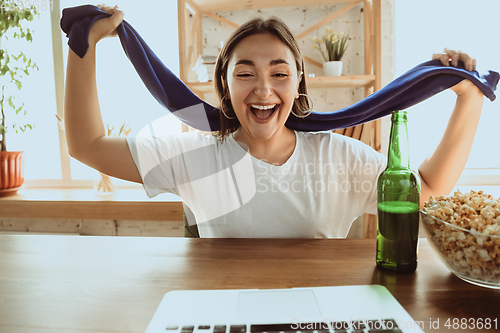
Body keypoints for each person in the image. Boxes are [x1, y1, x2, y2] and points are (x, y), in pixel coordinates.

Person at [64, 5, 484, 238]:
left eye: (279, 74)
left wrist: (469, 97)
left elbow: (427, 191)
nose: (263, 90)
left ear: (299, 83)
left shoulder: (341, 158)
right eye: (245, 74)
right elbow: (86, 145)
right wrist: (84, 45)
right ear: (225, 86)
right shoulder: (191, 152)